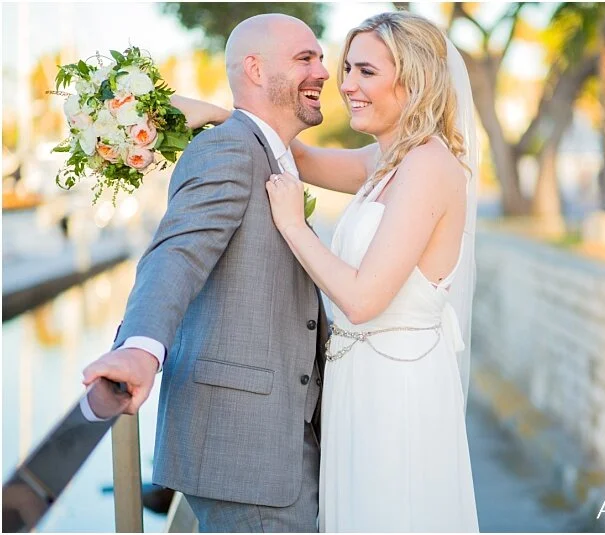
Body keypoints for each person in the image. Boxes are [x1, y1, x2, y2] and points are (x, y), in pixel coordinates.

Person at [81, 14, 331, 532]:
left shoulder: (270, 152)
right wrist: (141, 346)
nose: (323, 72)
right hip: (245, 454)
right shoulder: (228, 148)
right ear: (256, 70)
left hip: (281, 439)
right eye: (305, 58)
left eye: (320, 58)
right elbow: (177, 254)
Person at [264, 11, 480, 532]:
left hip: (398, 389)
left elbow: (363, 300)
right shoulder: (384, 160)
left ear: (415, 79)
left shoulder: (428, 165)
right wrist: (193, 114)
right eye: (347, 69)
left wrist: (294, 226)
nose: (346, 85)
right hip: (359, 380)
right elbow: (293, 153)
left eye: (366, 71)